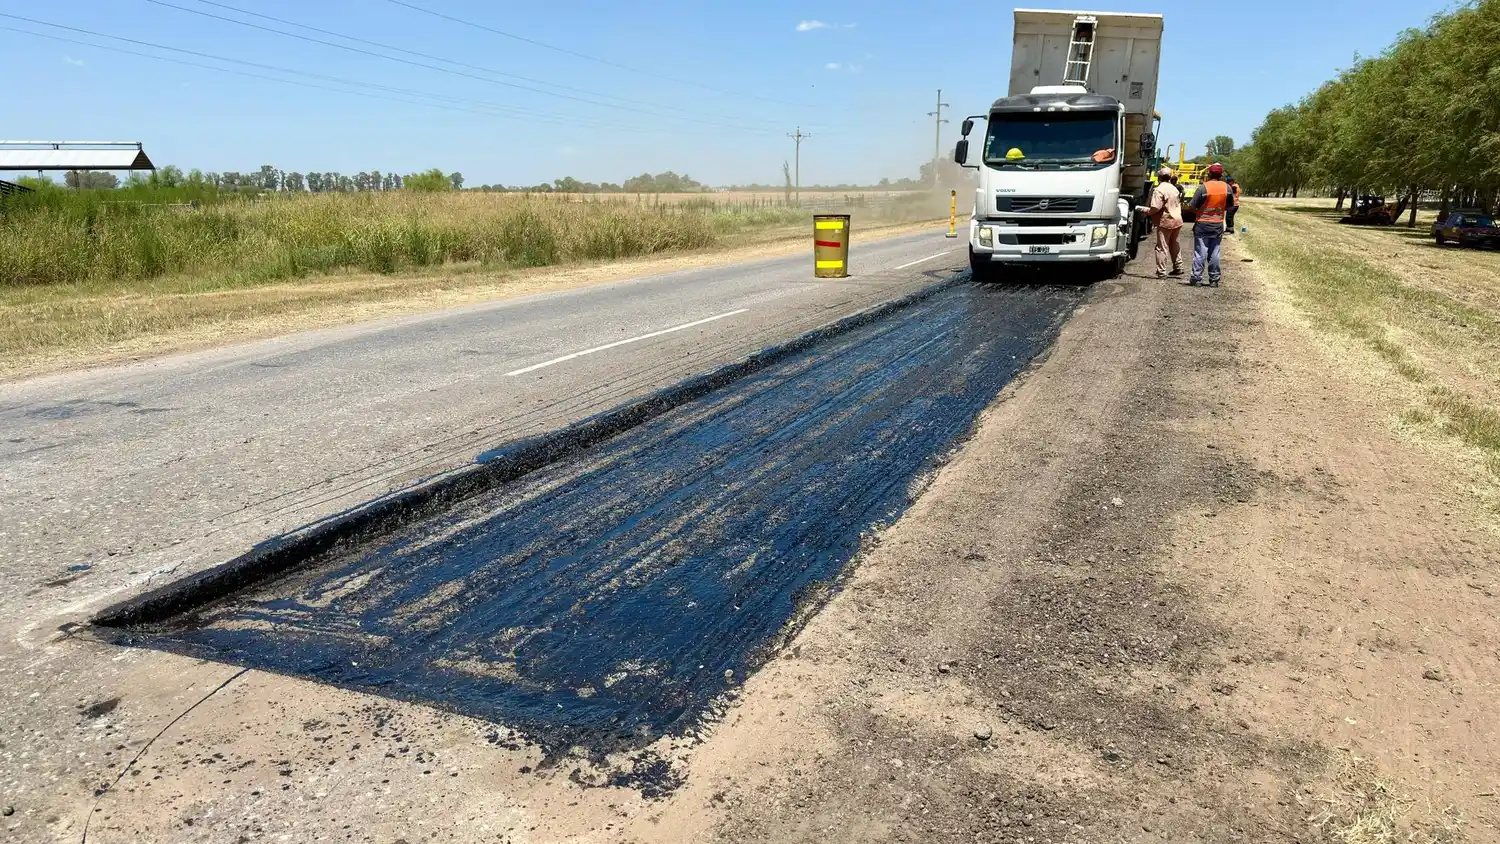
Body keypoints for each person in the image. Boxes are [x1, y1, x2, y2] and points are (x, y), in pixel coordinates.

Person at [1187, 163, 1232, 286]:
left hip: (1202, 224)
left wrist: (1198, 212)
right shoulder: (1227, 188)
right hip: (1217, 224)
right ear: (1220, 175)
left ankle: (1196, 278)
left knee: (1200, 252)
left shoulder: (1203, 188)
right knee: (1215, 252)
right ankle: (1214, 279)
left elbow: (1191, 206)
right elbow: (1229, 205)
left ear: (1209, 174)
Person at [1147, 165, 1183, 278]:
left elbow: (1155, 207)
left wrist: (1147, 212)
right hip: (1177, 219)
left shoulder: (1159, 190)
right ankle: (1178, 267)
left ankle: (1162, 272)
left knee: (1161, 247)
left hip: (1166, 220)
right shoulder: (1174, 188)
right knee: (1174, 243)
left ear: (1159, 177)